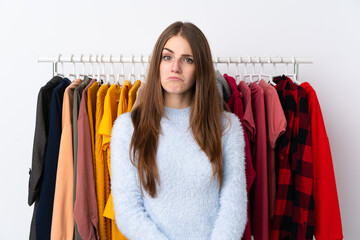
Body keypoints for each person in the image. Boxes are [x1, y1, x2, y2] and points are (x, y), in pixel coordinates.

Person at [110, 21, 247, 240]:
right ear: (158, 63)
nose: (175, 67)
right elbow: (128, 212)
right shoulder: (128, 128)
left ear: (199, 68)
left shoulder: (227, 128)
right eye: (167, 57)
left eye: (187, 59)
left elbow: (233, 209)